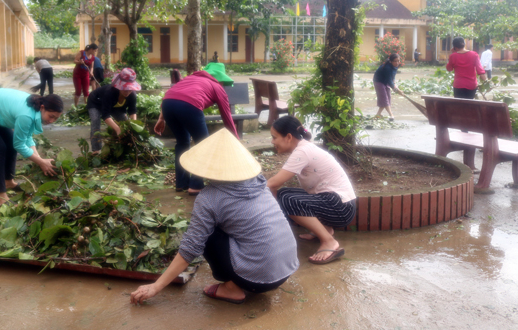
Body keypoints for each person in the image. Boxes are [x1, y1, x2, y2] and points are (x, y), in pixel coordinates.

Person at [130, 129, 299, 305]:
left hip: (256, 281)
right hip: (285, 271)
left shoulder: (210, 197)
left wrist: (155, 286)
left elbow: (191, 247)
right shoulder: (259, 181)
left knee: (207, 233)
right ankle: (255, 275)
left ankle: (232, 289)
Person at [266, 116, 356, 265]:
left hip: (341, 207)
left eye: (274, 137)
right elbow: (275, 186)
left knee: (287, 199)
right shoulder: (304, 148)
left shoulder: (302, 151)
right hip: (337, 203)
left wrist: (248, 191)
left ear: (288, 137)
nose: (272, 142)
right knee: (284, 194)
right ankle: (325, 230)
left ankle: (329, 242)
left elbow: (274, 182)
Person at [0, 89, 63, 206]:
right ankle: (0, 197)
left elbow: (27, 138)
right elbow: (19, 145)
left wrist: (39, 159)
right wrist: (41, 162)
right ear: (42, 107)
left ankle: (9, 182)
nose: (51, 121)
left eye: (56, 118)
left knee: (10, 144)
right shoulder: (26, 115)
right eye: (51, 116)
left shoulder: (35, 110)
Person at [153, 62, 238, 195]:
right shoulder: (217, 86)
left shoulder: (190, 78)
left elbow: (173, 94)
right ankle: (196, 185)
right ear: (220, 79)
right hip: (189, 106)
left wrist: (161, 118)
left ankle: (181, 184)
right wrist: (236, 141)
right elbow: (227, 118)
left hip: (167, 105)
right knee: (204, 144)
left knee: (182, 143)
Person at [87, 68, 140, 153]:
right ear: (120, 86)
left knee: (125, 123)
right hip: (95, 102)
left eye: (129, 89)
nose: (127, 92)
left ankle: (118, 144)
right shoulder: (110, 92)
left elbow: (132, 111)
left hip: (114, 106)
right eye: (125, 88)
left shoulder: (132, 95)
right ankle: (96, 150)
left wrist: (134, 126)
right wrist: (118, 129)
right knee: (95, 121)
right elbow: (105, 115)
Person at [373, 53, 404, 121]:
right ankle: (391, 115)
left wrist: (395, 86)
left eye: (398, 61)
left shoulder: (395, 67)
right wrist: (397, 90)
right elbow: (390, 81)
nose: (397, 63)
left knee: (388, 98)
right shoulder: (387, 68)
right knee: (384, 98)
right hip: (379, 82)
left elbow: (392, 78)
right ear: (391, 61)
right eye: (395, 61)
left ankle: (378, 114)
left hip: (385, 81)